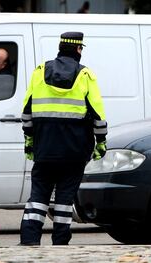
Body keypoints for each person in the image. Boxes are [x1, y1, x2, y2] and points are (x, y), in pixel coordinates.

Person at [19, 32, 108, 245]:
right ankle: (60, 243)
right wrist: (101, 143)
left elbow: (26, 113)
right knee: (65, 200)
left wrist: (30, 142)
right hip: (74, 153)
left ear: (60, 47)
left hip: (45, 150)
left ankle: (29, 240)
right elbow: (98, 115)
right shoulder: (86, 76)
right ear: (78, 49)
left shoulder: (39, 72)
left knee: (38, 198)